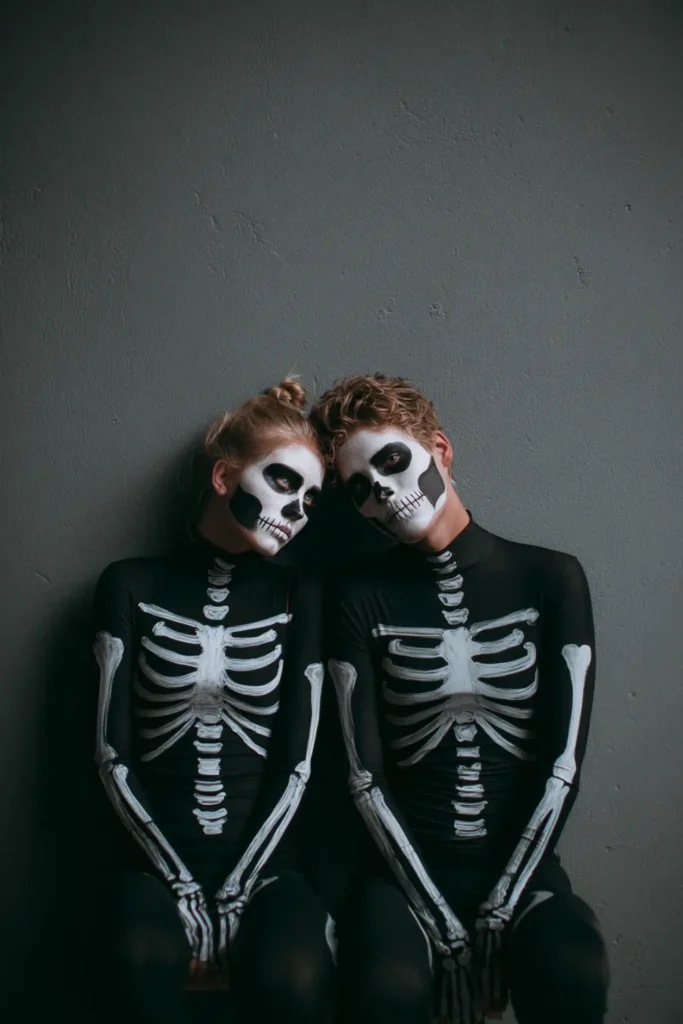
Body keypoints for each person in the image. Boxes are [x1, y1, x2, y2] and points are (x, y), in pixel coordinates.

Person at [310, 373, 610, 1024]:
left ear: (439, 451)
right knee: (386, 989)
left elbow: (562, 766)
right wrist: (439, 922)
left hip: (522, 871)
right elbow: (365, 776)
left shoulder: (549, 577)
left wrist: (500, 907)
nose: (382, 492)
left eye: (391, 462)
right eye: (360, 488)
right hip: (398, 878)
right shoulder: (357, 598)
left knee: (573, 968)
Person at [92, 378, 333, 1024]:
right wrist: (178, 884)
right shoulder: (130, 584)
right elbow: (112, 757)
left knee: (295, 976)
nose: (297, 511)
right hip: (150, 865)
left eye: (310, 499)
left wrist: (235, 890)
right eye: (284, 483)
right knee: (135, 960)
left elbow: (297, 763)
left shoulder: (298, 594)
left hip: (268, 868)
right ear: (225, 477)